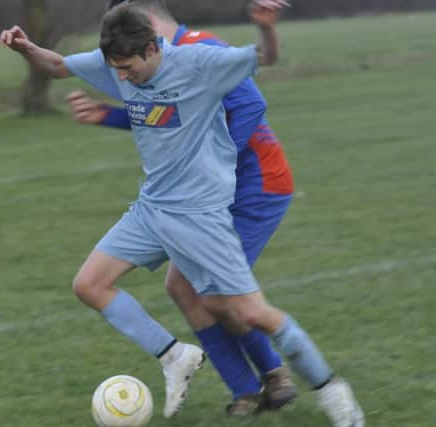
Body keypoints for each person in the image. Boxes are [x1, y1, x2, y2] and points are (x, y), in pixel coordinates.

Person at [0, 2, 364, 426]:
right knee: (89, 285)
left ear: (153, 48)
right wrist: (26, 48)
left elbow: (265, 58)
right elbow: (60, 65)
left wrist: (266, 29)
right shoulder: (116, 61)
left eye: (127, 67)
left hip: (201, 218)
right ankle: (175, 356)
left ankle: (332, 391)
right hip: (152, 209)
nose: (120, 77)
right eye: (114, 67)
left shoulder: (200, 62)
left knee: (253, 313)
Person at [67, 0, 297, 416]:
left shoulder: (201, 50)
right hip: (208, 192)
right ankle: (246, 388)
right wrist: (110, 116)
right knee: (182, 285)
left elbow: (249, 107)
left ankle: (275, 375)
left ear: (147, 24)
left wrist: (211, 164)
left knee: (219, 293)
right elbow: (167, 117)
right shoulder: (157, 67)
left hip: (254, 183)